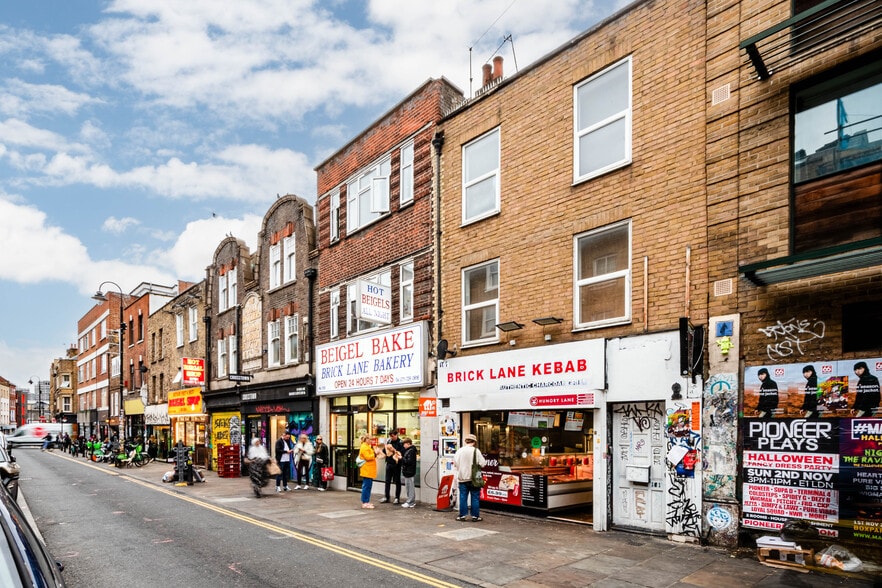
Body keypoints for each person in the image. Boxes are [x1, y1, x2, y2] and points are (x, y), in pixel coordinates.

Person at [453, 433, 486, 522]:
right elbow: (483, 463)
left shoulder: (459, 451)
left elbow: (455, 463)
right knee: (475, 497)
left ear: (466, 441)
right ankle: (475, 516)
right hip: (474, 478)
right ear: (474, 442)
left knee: (463, 497)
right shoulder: (476, 451)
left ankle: (462, 515)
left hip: (462, 478)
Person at [381, 430, 404, 504]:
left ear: (396, 435)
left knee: (397, 481)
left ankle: (397, 497)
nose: (391, 437)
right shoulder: (389, 441)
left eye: (393, 436)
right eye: (390, 436)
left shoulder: (400, 443)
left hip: (396, 464)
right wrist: (383, 450)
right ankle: (386, 496)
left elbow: (401, 453)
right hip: (389, 463)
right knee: (387, 481)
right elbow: (385, 451)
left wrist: (393, 450)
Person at [357, 434, 378, 509]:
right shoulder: (364, 447)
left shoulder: (366, 446)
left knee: (367, 486)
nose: (371, 441)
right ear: (366, 439)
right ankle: (365, 502)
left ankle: (366, 501)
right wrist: (375, 454)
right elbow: (368, 457)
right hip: (367, 470)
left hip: (368, 470)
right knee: (366, 486)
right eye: (370, 439)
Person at [400, 437, 417, 508]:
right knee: (409, 486)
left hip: (409, 471)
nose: (403, 445)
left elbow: (409, 462)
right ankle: (411, 501)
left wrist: (401, 458)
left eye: (404, 444)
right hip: (408, 471)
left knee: (409, 487)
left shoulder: (411, 451)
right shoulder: (410, 450)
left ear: (408, 443)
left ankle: (410, 501)